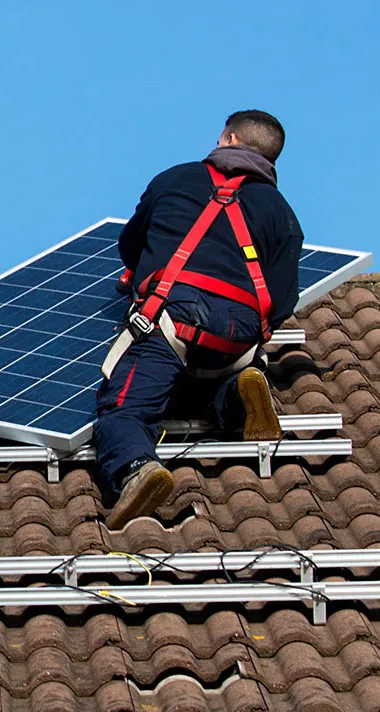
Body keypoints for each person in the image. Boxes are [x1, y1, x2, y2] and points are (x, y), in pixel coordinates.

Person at [96, 110, 304, 529]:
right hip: (238, 337)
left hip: (173, 316)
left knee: (123, 409)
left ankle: (137, 467)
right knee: (205, 381)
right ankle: (238, 396)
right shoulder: (282, 214)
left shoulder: (174, 179)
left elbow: (130, 246)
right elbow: (283, 301)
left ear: (228, 139)